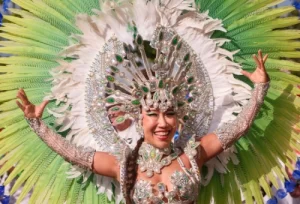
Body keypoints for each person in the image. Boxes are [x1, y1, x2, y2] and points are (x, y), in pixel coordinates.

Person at [16, 45, 269, 203]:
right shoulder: (124, 164)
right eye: (153, 114)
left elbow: (238, 128)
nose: (162, 122)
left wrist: (260, 88)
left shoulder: (193, 155)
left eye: (169, 113)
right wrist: (36, 123)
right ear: (139, 118)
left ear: (178, 117)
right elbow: (73, 154)